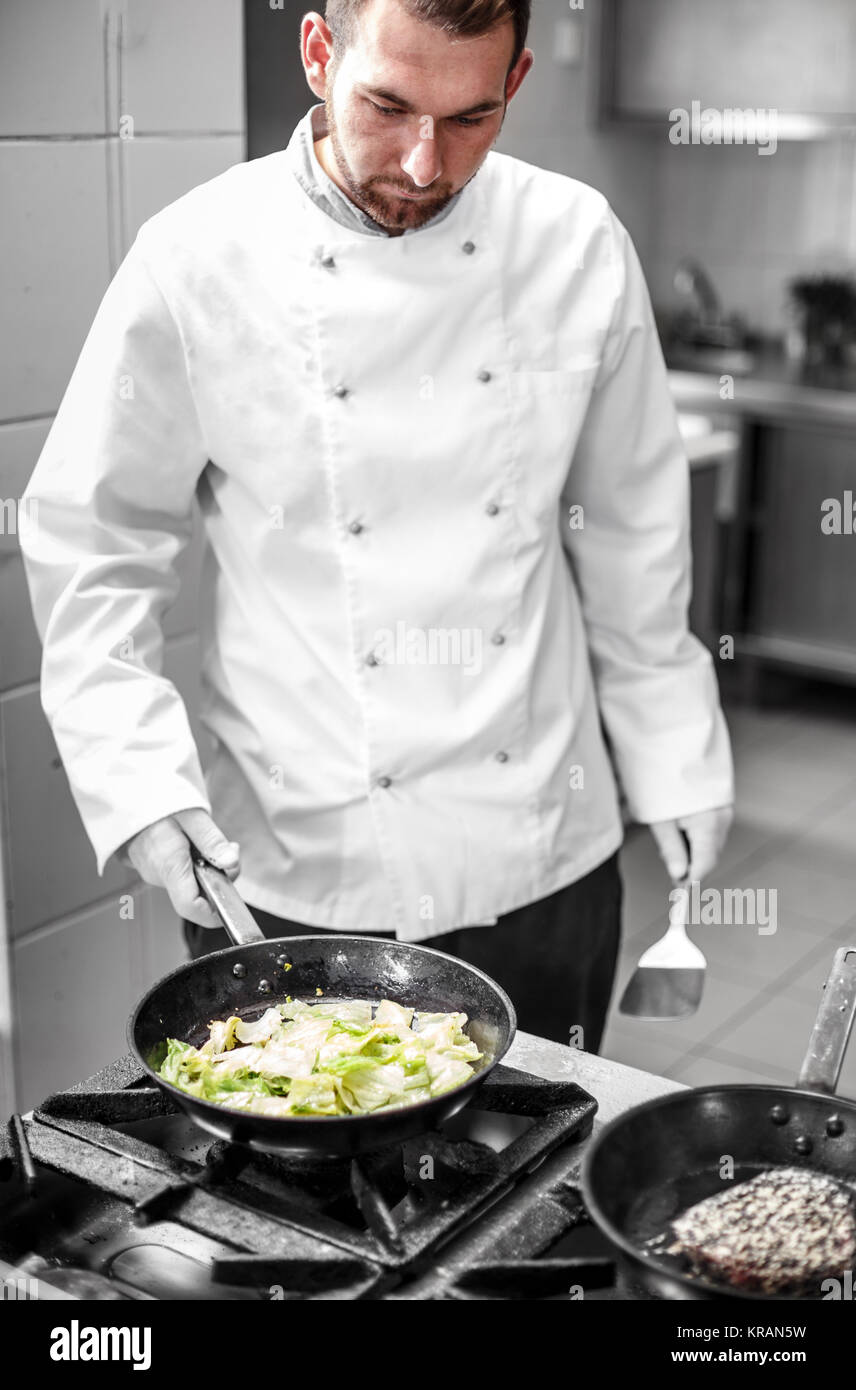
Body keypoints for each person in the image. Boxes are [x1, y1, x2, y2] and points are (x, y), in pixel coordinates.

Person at [19, 0, 733, 1052]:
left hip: (539, 848)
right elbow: (96, 540)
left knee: (542, 1187)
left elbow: (631, 534)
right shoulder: (198, 258)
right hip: (295, 864)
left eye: (470, 118)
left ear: (517, 81)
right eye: (386, 104)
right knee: (305, 1190)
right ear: (319, 52)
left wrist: (675, 755)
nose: (422, 162)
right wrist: (136, 783)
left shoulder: (575, 242)